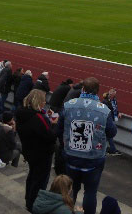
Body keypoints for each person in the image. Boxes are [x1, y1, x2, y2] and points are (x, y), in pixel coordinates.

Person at [59, 77, 117, 214]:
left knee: (71, 189)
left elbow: (59, 129)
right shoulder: (104, 110)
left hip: (71, 156)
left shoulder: (68, 105)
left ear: (83, 89)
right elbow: (112, 132)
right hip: (93, 159)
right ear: (97, 91)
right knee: (90, 192)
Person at [16, 89, 59, 212]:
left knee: (32, 176)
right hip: (42, 154)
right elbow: (50, 136)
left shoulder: (22, 113)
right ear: (38, 101)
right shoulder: (38, 118)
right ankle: (34, 205)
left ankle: (29, 200)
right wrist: (54, 124)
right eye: (43, 100)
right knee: (40, 181)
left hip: (29, 151)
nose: (45, 102)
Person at [102, 88, 121, 156]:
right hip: (108, 119)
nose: (114, 95)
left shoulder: (114, 100)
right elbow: (108, 110)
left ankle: (109, 149)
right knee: (108, 135)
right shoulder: (105, 101)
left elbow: (115, 108)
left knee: (108, 135)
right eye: (113, 93)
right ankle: (112, 149)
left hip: (112, 118)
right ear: (110, 93)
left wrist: (118, 112)